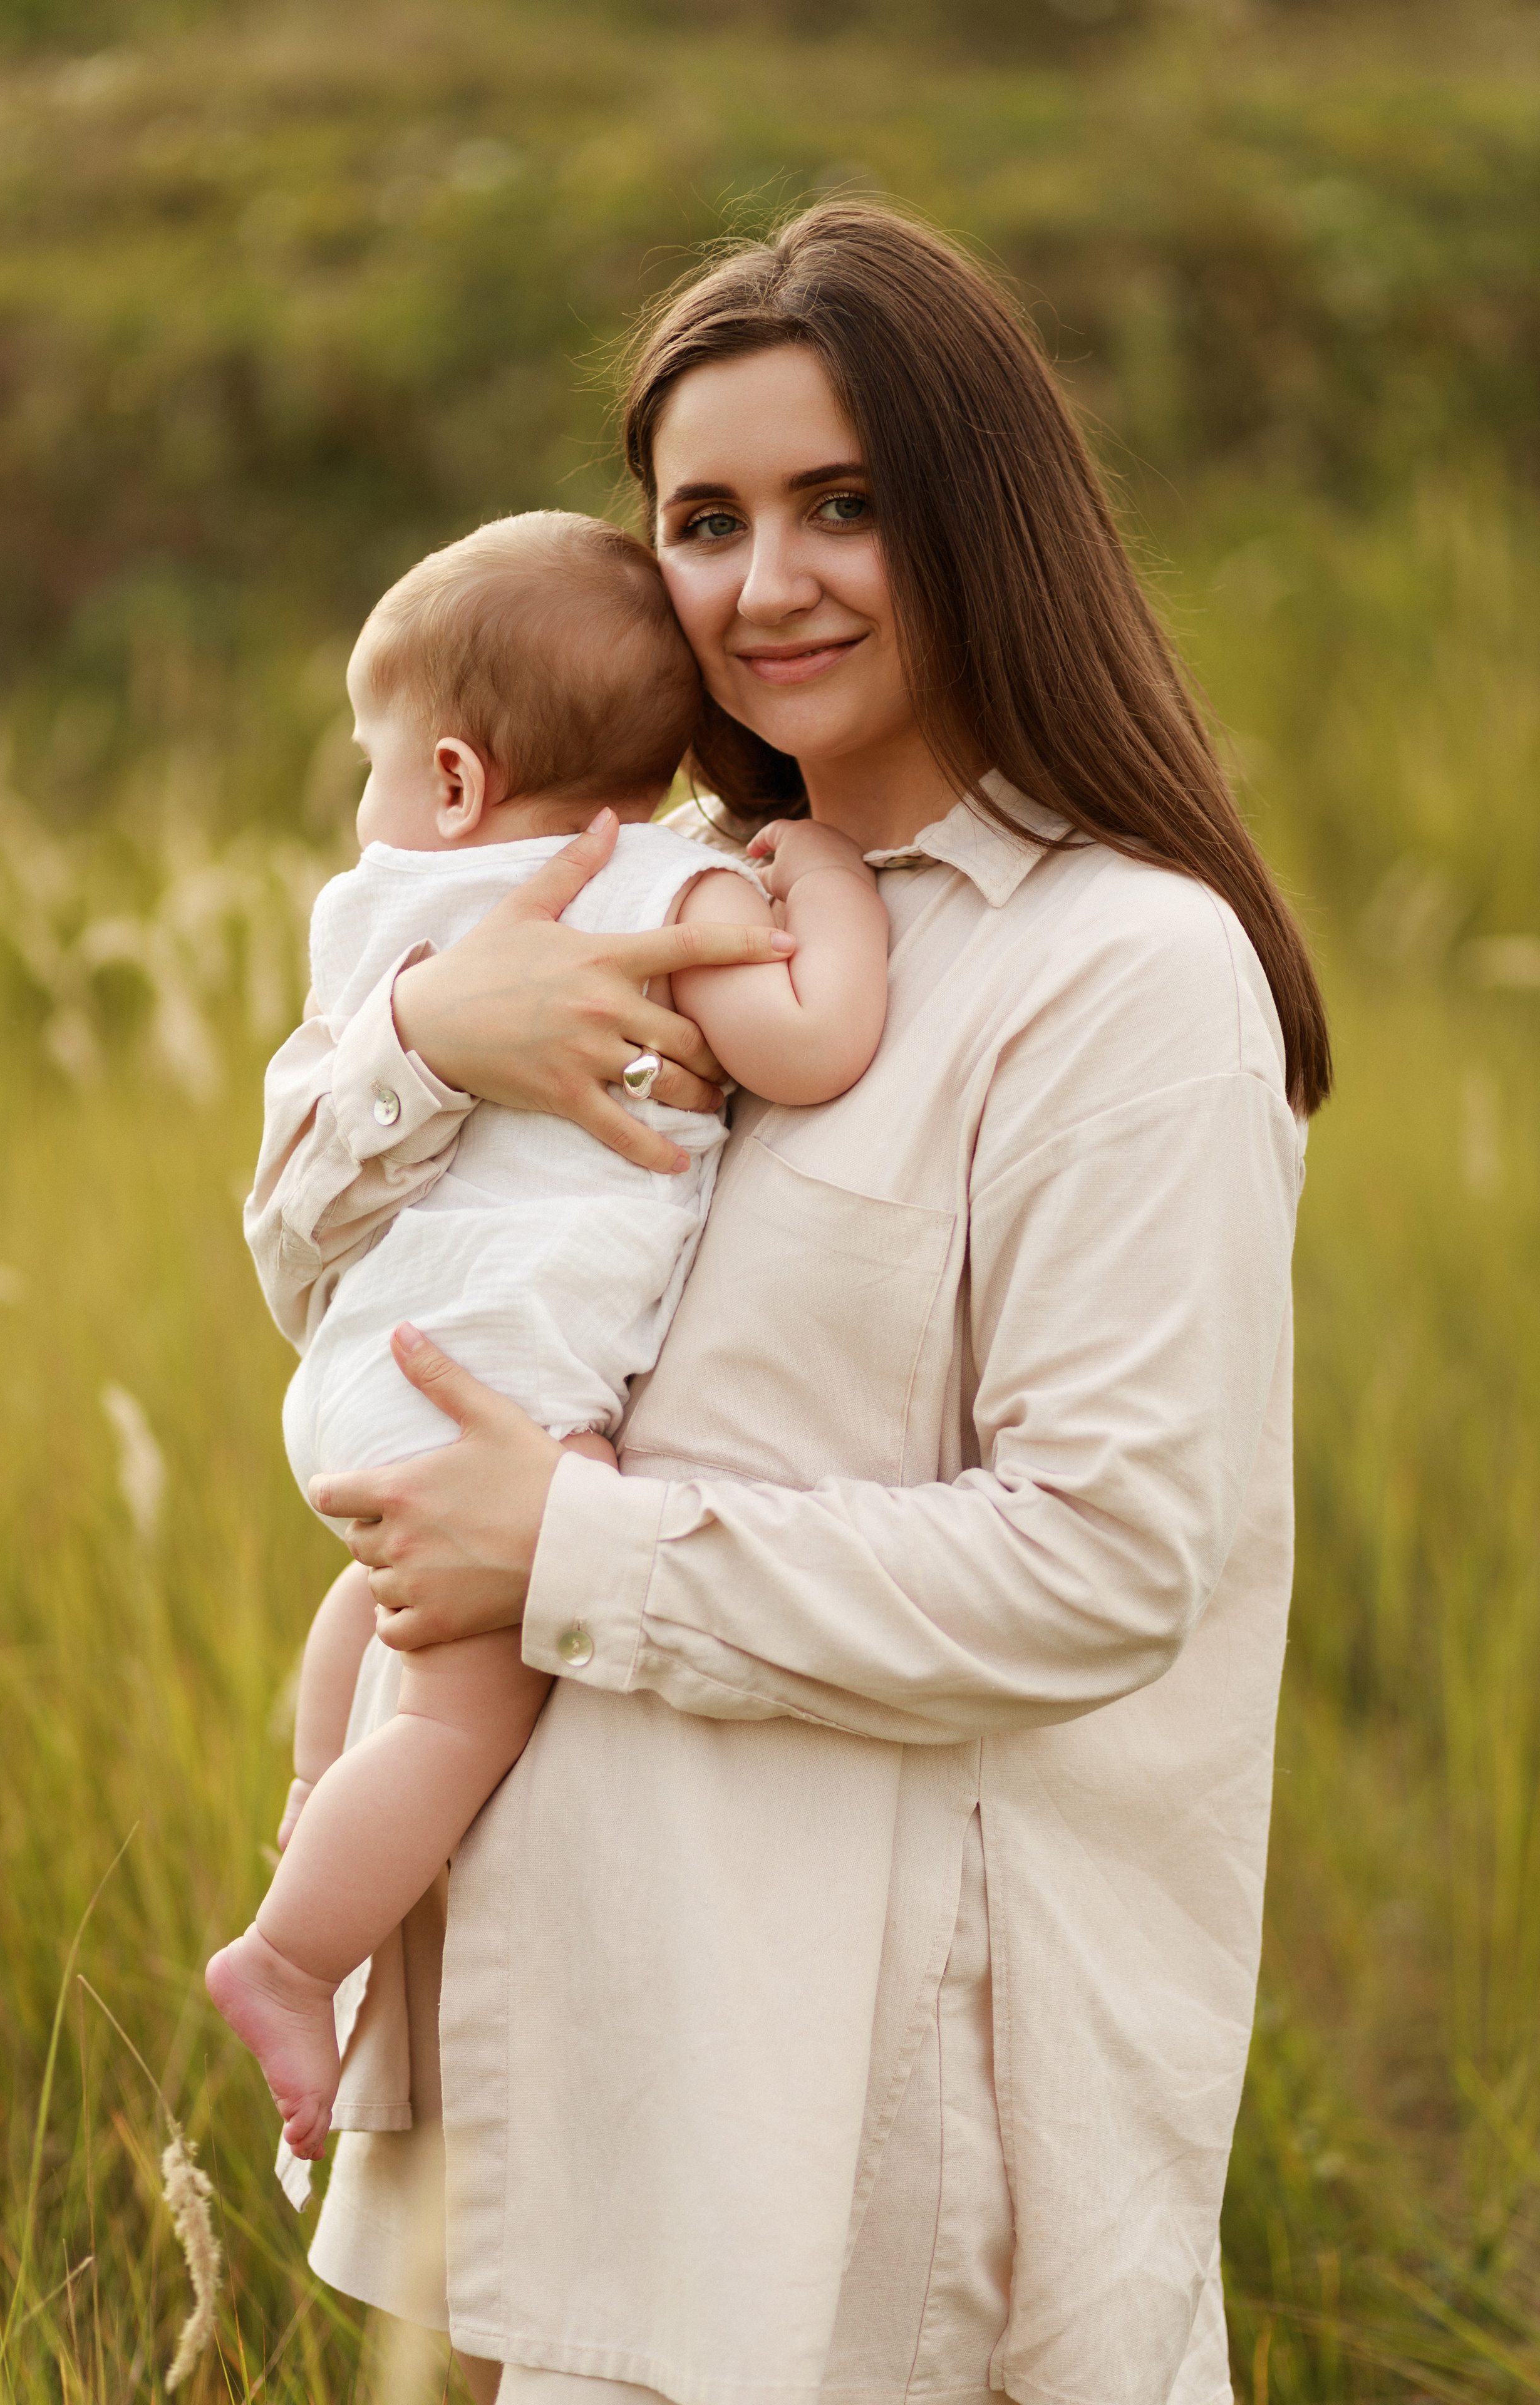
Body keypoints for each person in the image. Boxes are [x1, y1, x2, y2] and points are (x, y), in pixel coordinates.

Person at [245, 201, 1330, 2405]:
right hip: (615, 2074)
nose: (770, 581)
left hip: (877, 2143)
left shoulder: (1121, 976)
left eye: (848, 503)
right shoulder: (647, 904)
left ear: (986, 514)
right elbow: (312, 1281)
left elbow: (1112, 1562)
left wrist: (567, 1550)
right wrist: (440, 1034)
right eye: (707, 520)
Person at [210, 509, 889, 2170]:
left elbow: (294, 1203)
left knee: (375, 1611)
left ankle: (316, 1814)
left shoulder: (386, 921)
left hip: (377, 1368)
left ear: (449, 781)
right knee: (459, 1705)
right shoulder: (671, 885)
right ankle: (296, 1952)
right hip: (494, 1390)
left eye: (369, 766)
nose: (367, 808)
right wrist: (828, 881)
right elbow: (811, 1044)